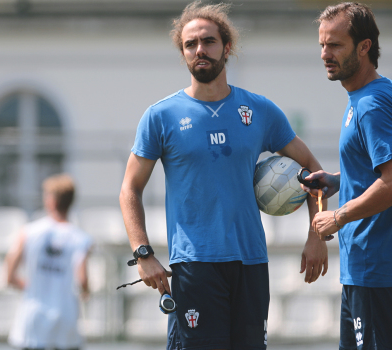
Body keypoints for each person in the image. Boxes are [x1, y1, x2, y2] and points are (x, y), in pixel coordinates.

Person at [118, 1, 327, 349]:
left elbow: (315, 172)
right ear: (183, 53)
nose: (200, 49)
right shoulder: (161, 116)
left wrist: (316, 234)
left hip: (251, 263)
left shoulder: (260, 110)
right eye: (190, 44)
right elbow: (129, 189)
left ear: (226, 47)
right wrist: (143, 254)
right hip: (194, 266)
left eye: (209, 41)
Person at [305, 2, 392, 349]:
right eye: (322, 45)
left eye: (336, 45)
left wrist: (338, 216)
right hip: (368, 268)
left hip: (378, 268)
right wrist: (339, 180)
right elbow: (382, 170)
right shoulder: (369, 94)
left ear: (364, 46)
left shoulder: (372, 103)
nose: (326, 54)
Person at [6, 174, 92, 350]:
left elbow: (9, 273)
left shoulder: (29, 232)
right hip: (65, 318)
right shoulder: (81, 238)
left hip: (34, 317)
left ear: (51, 201)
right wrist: (85, 292)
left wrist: (26, 285)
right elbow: (82, 280)